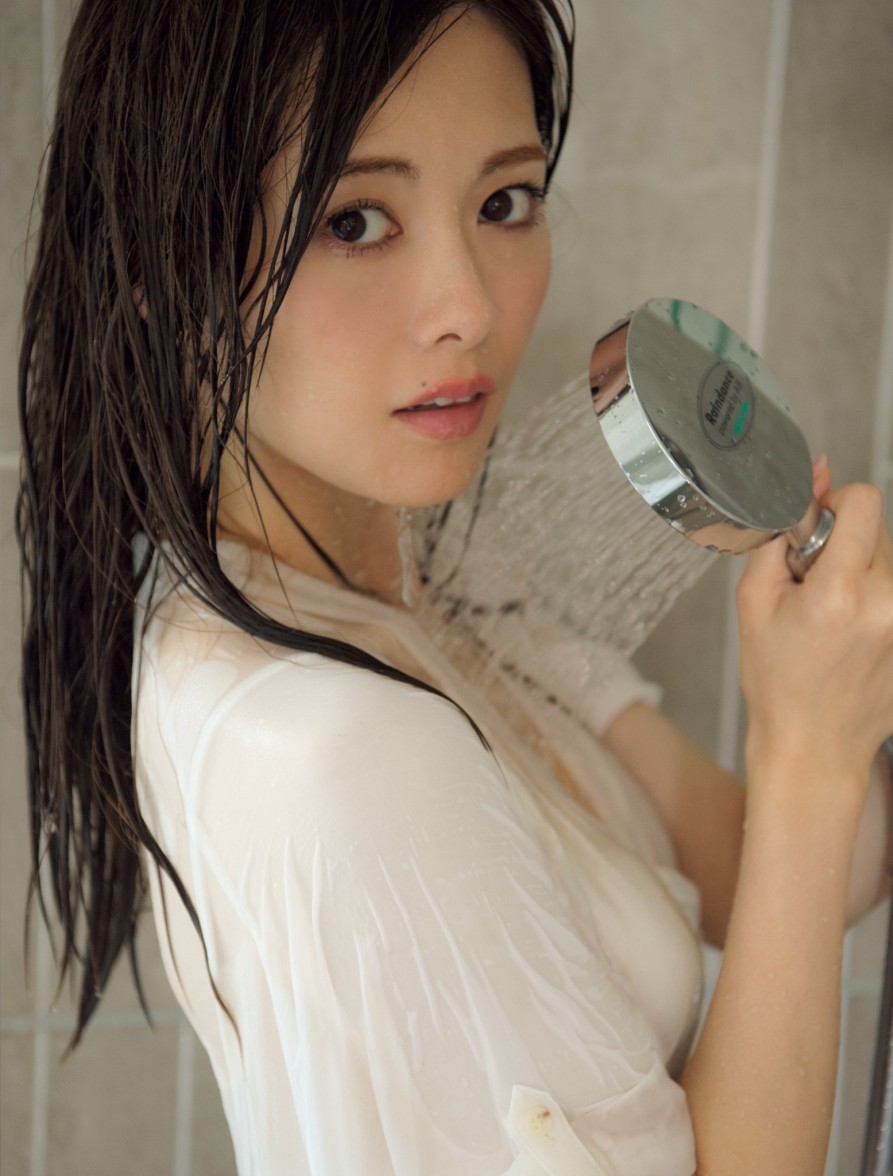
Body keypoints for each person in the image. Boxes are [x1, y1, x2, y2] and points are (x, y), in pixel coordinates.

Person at [17, 1, 893, 1173]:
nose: (470, 308)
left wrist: (834, 713)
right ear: (157, 265)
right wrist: (806, 757)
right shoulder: (335, 755)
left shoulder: (410, 568)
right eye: (353, 220)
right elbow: (794, 826)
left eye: (503, 202)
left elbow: (754, 872)